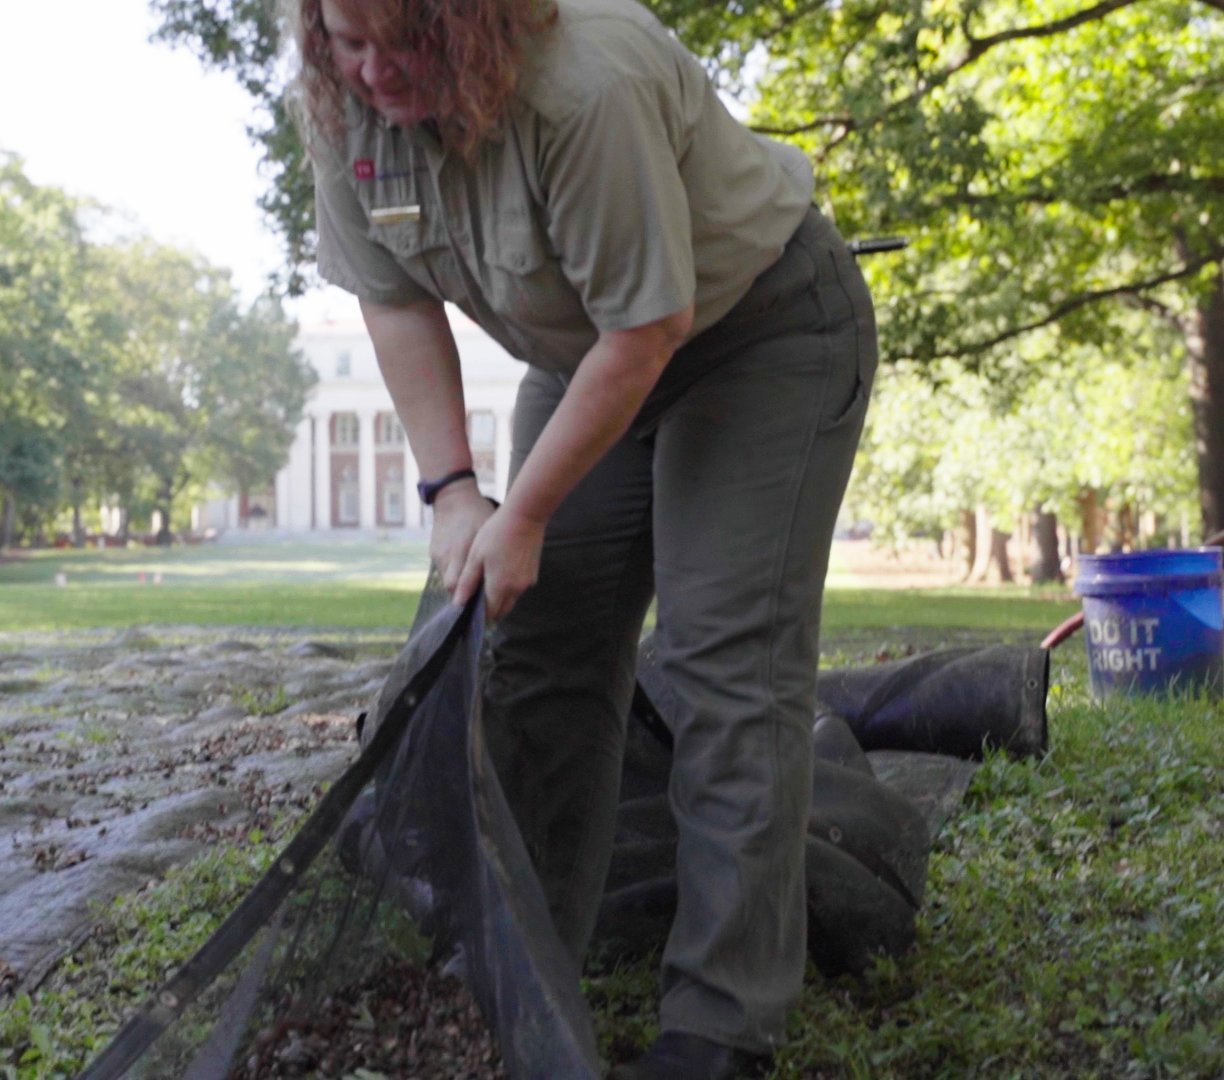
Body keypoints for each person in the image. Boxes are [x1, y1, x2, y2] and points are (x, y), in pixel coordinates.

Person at [293, 0, 878, 1076]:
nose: (372, 69)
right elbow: (393, 300)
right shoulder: (341, 106)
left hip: (758, 335)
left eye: (400, 40)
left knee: (723, 664)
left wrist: (527, 515)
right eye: (346, 38)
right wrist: (457, 494)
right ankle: (522, 973)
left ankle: (720, 1026)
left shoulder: (582, 87)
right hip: (590, 366)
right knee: (536, 647)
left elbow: (650, 326)